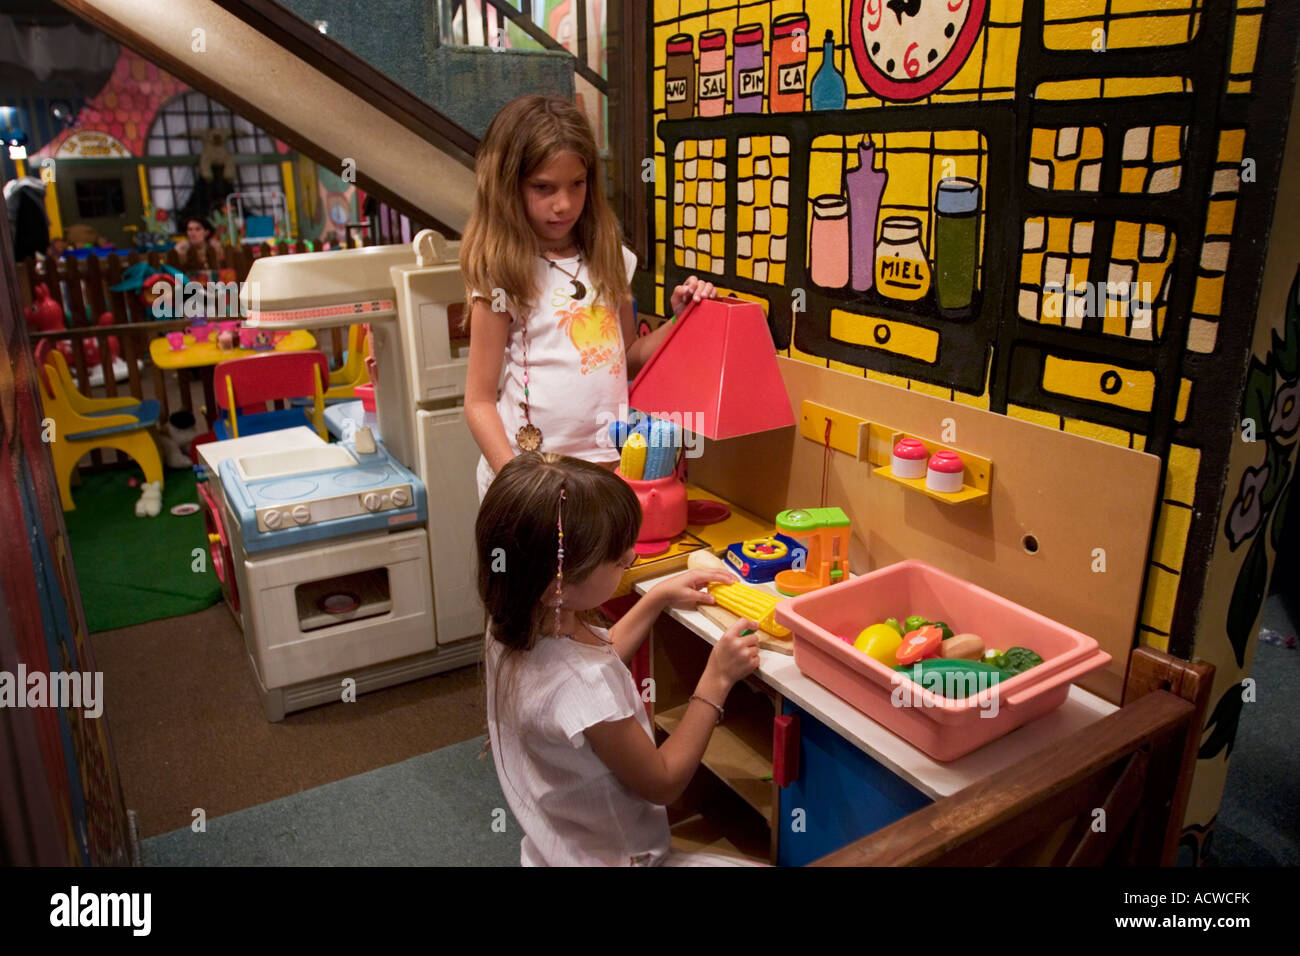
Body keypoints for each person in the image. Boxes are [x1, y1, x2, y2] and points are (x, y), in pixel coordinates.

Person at [478, 453, 764, 866]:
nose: (630, 557)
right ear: (559, 587)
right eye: (616, 558)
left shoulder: (512, 625)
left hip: (557, 850)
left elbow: (598, 653)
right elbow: (664, 782)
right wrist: (715, 680)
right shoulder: (584, 686)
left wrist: (658, 598)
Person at [462, 94, 716, 501]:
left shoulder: (608, 256)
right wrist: (516, 482)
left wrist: (680, 321)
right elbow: (478, 401)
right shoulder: (500, 272)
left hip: (606, 473)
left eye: (576, 184)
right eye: (543, 188)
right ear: (508, 186)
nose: (563, 204)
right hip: (529, 479)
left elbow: (626, 356)